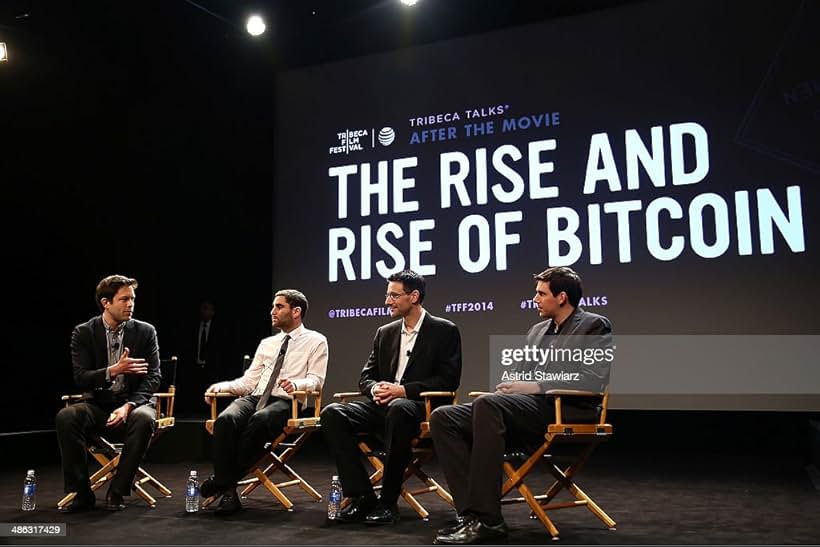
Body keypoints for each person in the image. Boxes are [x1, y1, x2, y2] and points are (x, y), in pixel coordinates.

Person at [430, 266, 614, 544]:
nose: (535, 299)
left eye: (541, 293)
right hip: (529, 407)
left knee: (489, 407)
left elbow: (593, 379)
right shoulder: (537, 330)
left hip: (567, 408)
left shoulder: (594, 325)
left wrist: (536, 386)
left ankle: (488, 519)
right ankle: (471, 514)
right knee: (445, 417)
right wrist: (509, 385)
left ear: (562, 297)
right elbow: (520, 373)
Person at [321, 270, 462, 525]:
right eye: (387, 295)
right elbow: (365, 377)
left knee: (399, 408)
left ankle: (388, 503)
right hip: (383, 405)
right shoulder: (385, 332)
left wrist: (403, 390)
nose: (387, 301)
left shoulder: (444, 330)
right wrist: (375, 389)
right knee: (332, 413)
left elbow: (448, 380)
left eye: (394, 296)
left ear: (414, 296)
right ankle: (362, 496)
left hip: (420, 407)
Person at [200, 289, 328, 515]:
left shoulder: (316, 341)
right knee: (226, 419)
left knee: (259, 421)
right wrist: (223, 386)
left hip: (288, 402)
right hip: (256, 397)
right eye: (273, 306)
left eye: (279, 307)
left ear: (296, 311)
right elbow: (249, 381)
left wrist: (297, 385)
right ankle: (227, 486)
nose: (272, 311)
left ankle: (221, 481)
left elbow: (316, 380)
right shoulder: (268, 343)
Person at [56, 274, 161, 512]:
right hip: (99, 405)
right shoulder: (84, 332)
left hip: (133, 405)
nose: (130, 304)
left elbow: (153, 377)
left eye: (132, 299)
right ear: (106, 303)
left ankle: (118, 490)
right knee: (67, 416)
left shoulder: (145, 332)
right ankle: (81, 492)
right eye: (124, 299)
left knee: (144, 418)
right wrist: (113, 371)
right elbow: (80, 378)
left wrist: (128, 406)